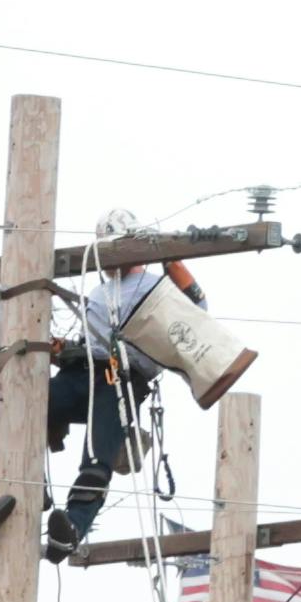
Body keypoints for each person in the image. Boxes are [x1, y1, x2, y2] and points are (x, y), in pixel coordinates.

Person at [44, 208, 203, 555]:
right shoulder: (101, 292)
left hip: (121, 381)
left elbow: (198, 314)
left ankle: (70, 530)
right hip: (82, 373)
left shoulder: (158, 287)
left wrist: (176, 267)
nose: (109, 260)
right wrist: (64, 350)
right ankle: (31, 488)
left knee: (97, 462)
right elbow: (93, 342)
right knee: (29, 404)